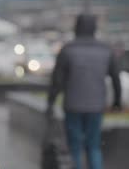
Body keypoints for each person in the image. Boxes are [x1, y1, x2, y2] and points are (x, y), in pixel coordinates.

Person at [46, 13, 122, 169]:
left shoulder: (68, 50)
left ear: (77, 28)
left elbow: (57, 81)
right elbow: (116, 78)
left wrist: (51, 102)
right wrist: (116, 102)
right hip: (96, 106)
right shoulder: (105, 50)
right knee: (94, 146)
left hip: (73, 105)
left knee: (75, 147)